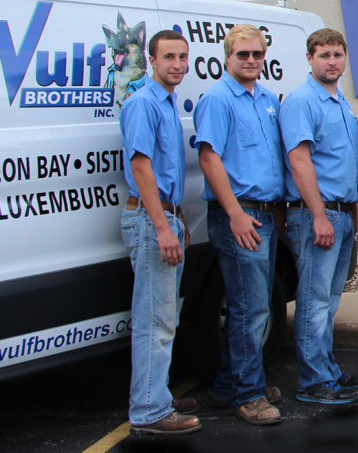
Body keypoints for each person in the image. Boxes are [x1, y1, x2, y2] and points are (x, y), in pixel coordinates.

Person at [194, 24, 284, 425]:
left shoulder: (266, 99)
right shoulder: (217, 99)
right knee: (250, 309)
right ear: (226, 57)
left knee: (254, 305)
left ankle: (231, 384)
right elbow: (209, 159)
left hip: (265, 213)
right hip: (239, 214)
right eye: (243, 54)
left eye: (257, 54)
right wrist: (234, 214)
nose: (251, 60)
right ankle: (249, 395)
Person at [119, 29, 200, 435]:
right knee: (155, 320)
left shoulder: (167, 104)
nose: (178, 64)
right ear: (152, 60)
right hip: (151, 222)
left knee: (166, 315)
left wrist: (178, 218)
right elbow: (140, 168)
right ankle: (150, 411)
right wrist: (160, 225)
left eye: (183, 57)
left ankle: (158, 394)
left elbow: (166, 172)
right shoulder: (143, 104)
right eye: (169, 57)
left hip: (167, 218)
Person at [281, 28, 358, 404]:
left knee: (328, 301)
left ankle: (327, 370)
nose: (332, 62)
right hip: (318, 214)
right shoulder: (303, 100)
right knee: (314, 302)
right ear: (310, 59)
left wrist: (351, 215)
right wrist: (319, 216)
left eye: (337, 55)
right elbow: (299, 161)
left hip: (340, 213)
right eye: (324, 55)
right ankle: (313, 381)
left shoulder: (339, 101)